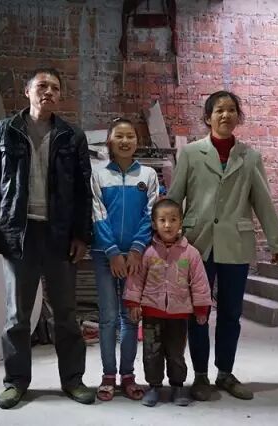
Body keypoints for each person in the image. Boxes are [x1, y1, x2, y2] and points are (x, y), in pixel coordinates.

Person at [0, 67, 94, 409]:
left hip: (59, 235)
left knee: (66, 314)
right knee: (17, 317)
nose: (48, 92)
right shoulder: (2, 132)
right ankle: (15, 382)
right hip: (17, 234)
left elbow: (83, 191)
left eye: (55, 87)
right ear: (27, 91)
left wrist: (82, 235)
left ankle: (73, 380)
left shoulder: (72, 136)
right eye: (42, 86)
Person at [167, 90, 278, 401]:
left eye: (231, 110)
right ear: (208, 117)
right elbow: (174, 197)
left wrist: (276, 241)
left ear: (238, 117)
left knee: (231, 312)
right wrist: (166, 239)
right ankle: (200, 376)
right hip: (197, 243)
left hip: (235, 243)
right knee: (198, 312)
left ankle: (225, 373)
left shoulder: (250, 157)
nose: (225, 115)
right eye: (219, 110)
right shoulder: (191, 153)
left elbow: (263, 202)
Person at [90, 118, 159, 401]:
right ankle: (108, 375)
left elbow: (151, 213)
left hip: (135, 258)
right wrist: (111, 251)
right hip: (104, 256)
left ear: (137, 141)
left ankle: (128, 375)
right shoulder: (97, 175)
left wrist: (137, 249)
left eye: (130, 136)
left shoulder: (148, 175)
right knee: (108, 318)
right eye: (119, 136)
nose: (125, 141)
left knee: (130, 317)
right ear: (110, 141)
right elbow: (97, 212)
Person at [123, 198, 212, 407]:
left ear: (181, 222)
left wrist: (201, 309)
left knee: (176, 353)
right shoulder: (147, 252)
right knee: (151, 352)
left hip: (178, 315)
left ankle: (178, 386)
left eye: (173, 220)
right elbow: (136, 279)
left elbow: (199, 282)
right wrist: (133, 303)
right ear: (154, 224)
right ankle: (154, 386)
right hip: (151, 313)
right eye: (162, 220)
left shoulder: (190, 253)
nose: (167, 225)